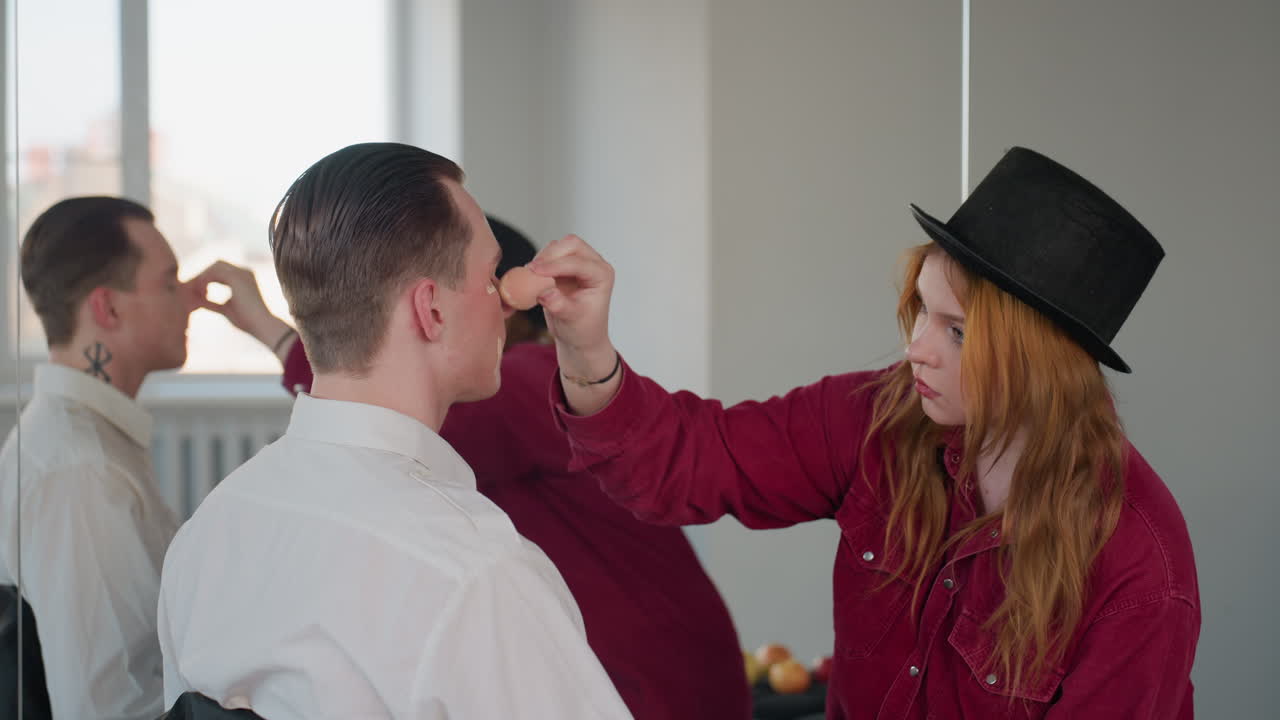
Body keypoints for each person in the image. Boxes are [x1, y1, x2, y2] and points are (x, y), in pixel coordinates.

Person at [531, 147, 1200, 718]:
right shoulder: (878, 417)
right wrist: (587, 352)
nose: (917, 349)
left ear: (1040, 361)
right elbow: (692, 460)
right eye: (921, 314)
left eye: (956, 330)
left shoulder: (1138, 564)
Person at [156, 142, 633, 718]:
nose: (504, 302)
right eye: (489, 278)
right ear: (431, 311)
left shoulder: (204, 537)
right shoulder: (477, 577)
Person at [253, 216, 749, 720]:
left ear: (510, 303)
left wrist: (279, 336)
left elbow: (383, 425)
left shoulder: (530, 376)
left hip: (651, 683)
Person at [0, 196, 281, 720]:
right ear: (108, 309)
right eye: (169, 283)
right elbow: (106, 708)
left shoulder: (92, 443)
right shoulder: (79, 470)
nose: (191, 300)